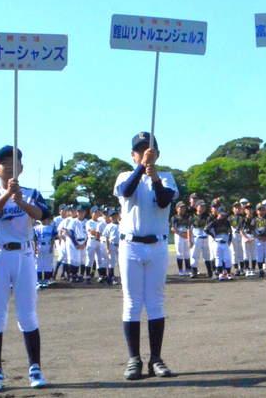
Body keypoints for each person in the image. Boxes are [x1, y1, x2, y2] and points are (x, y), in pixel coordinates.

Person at [114, 132, 178, 380]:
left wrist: (155, 178)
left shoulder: (167, 177)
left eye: (149, 150)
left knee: (154, 302)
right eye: (140, 150)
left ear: (158, 154)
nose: (145, 153)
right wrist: (142, 169)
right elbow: (127, 192)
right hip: (131, 245)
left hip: (157, 245)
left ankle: (156, 359)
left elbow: (164, 203)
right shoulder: (125, 176)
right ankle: (134, 359)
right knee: (131, 303)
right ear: (133, 155)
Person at [0, 146, 50, 391]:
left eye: (15, 162)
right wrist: (7, 195)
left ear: (22, 168)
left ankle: (35, 368)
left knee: (27, 314)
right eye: (4, 162)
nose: (10, 166)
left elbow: (43, 215)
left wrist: (21, 201)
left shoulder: (32, 193)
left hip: (24, 254)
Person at [170, 202, 192, 277]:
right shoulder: (175, 217)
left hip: (187, 234)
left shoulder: (188, 216)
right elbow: (172, 228)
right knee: (180, 253)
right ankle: (180, 269)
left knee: (187, 253)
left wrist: (187, 235)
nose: (183, 209)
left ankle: (188, 269)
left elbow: (190, 227)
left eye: (184, 208)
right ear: (177, 209)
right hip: (179, 235)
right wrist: (180, 233)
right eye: (181, 207)